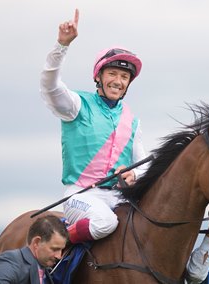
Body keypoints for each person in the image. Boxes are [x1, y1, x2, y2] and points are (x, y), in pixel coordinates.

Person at [39, 9, 148, 244]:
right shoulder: (77, 105)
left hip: (117, 197)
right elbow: (49, 86)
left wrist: (133, 174)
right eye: (112, 73)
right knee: (106, 222)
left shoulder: (132, 120)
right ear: (98, 76)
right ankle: (60, 245)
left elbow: (144, 165)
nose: (118, 81)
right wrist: (62, 46)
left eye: (124, 77)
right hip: (80, 195)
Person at [0, 215, 69, 284]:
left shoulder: (45, 271)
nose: (59, 256)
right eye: (54, 249)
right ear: (37, 242)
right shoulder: (12, 261)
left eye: (61, 250)